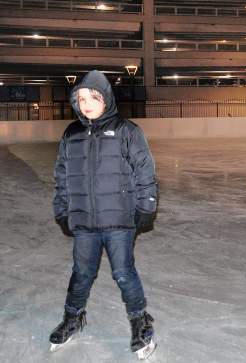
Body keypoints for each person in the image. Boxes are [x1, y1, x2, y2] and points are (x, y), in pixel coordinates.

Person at [50, 70, 157, 359]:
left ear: (106, 98)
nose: (86, 104)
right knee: (81, 273)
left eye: (93, 97)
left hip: (119, 221)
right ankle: (72, 318)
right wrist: (62, 210)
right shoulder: (71, 134)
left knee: (124, 273)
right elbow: (62, 175)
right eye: (81, 98)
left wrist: (146, 206)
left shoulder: (127, 131)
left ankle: (140, 321)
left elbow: (145, 172)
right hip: (84, 220)